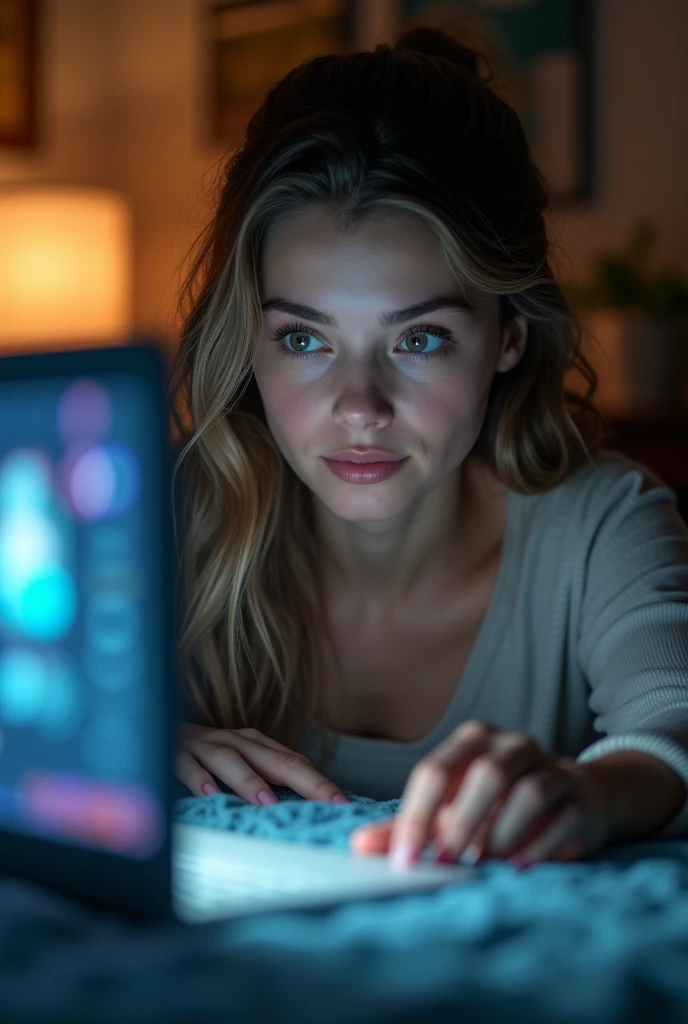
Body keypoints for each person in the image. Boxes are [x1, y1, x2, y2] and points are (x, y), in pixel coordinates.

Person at [168, 24, 688, 871]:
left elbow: (674, 720)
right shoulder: (170, 510)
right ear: (247, 344)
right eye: (304, 340)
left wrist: (592, 792)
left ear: (508, 336)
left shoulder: (598, 524)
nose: (359, 407)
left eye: (420, 339)